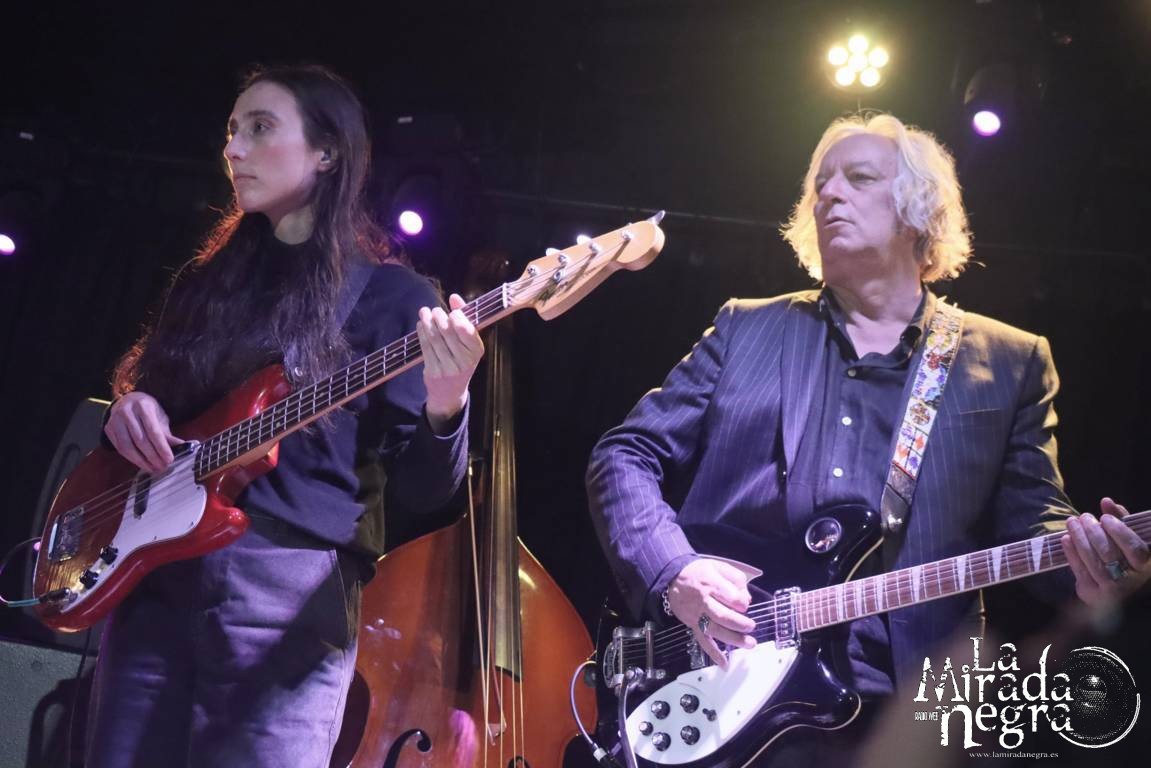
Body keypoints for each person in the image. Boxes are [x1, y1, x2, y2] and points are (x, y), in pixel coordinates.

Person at [586, 113, 1149, 764]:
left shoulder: (1008, 362)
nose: (827, 193)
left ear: (918, 210)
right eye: (820, 183)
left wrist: (1096, 565)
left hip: (907, 719)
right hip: (717, 688)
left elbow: (1037, 524)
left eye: (857, 178)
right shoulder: (746, 329)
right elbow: (624, 454)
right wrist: (674, 570)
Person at [88, 64, 484, 767]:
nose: (233, 148)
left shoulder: (394, 300)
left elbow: (428, 493)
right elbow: (151, 419)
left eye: (260, 128)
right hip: (158, 579)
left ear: (327, 152)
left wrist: (447, 400)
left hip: (285, 594)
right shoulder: (207, 284)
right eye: (232, 130)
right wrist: (130, 407)